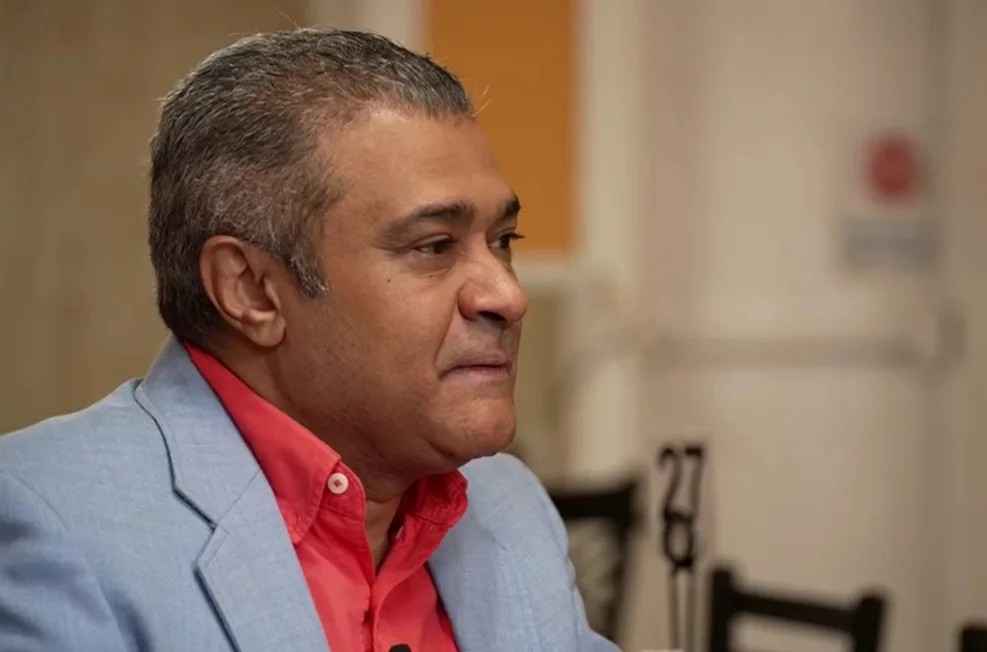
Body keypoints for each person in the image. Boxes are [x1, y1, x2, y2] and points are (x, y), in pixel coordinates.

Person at [0, 28, 617, 652]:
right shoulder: (52, 520)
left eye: (503, 241)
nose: (508, 295)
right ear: (252, 291)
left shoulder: (509, 505)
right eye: (434, 246)